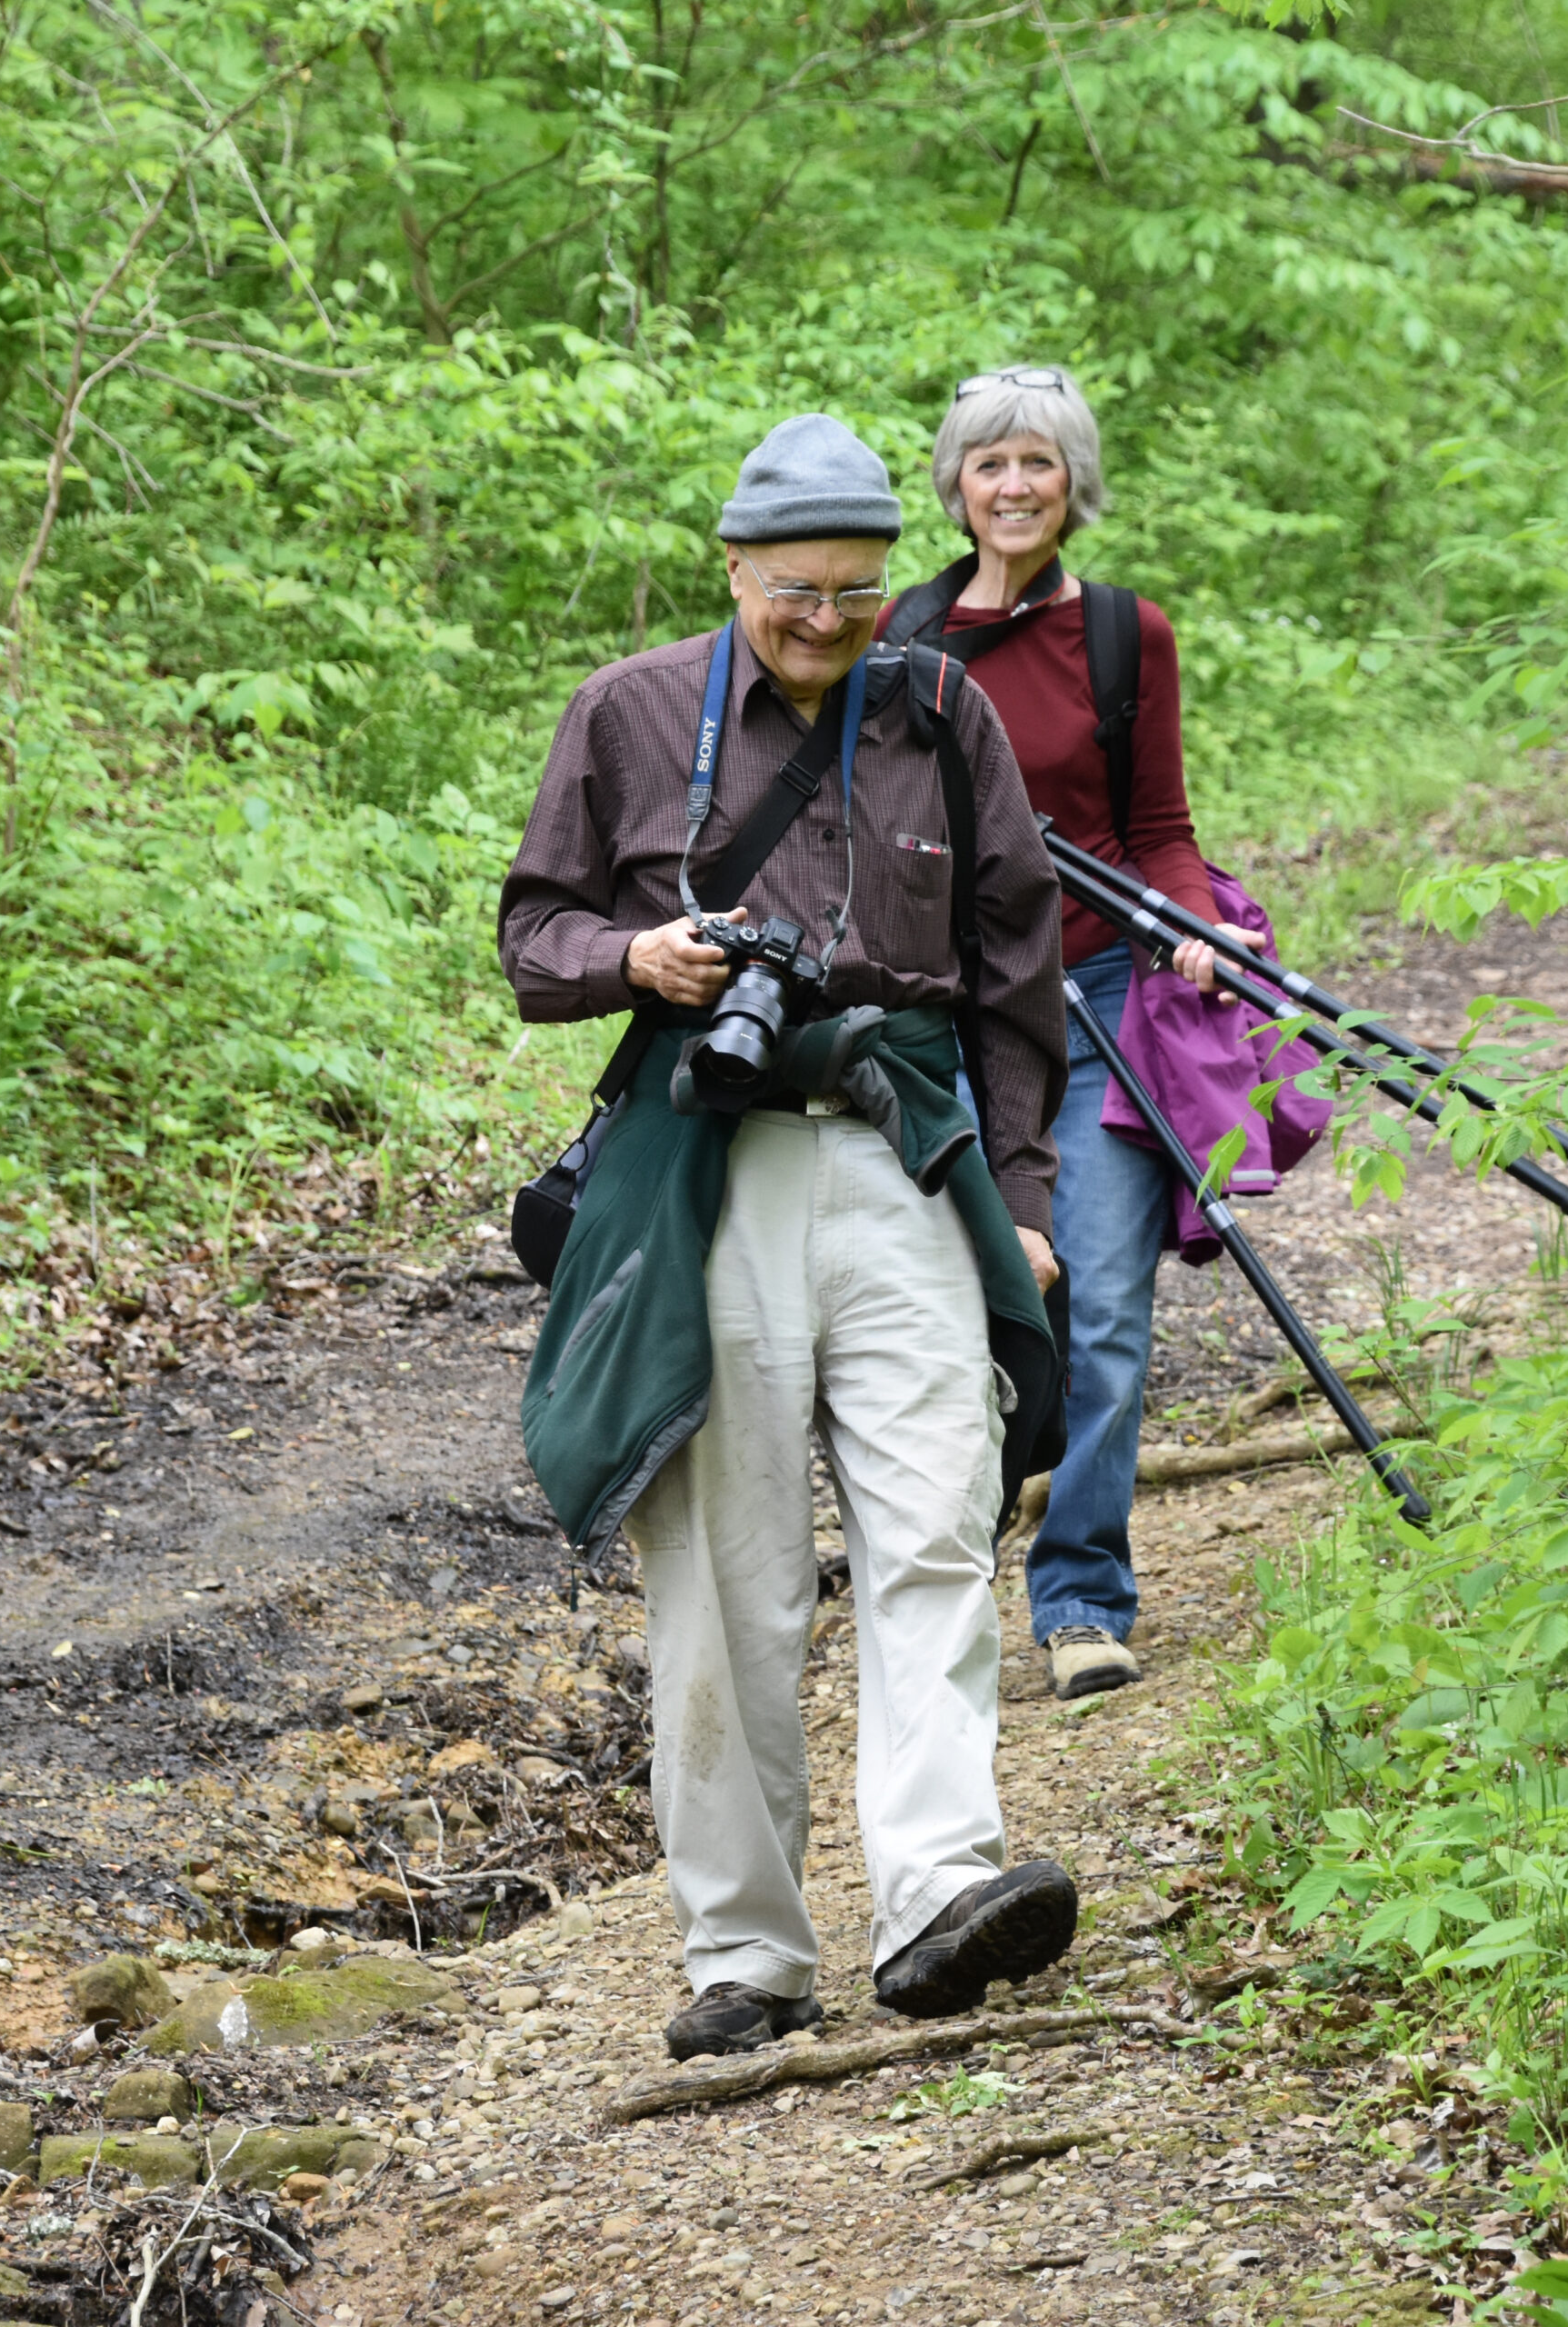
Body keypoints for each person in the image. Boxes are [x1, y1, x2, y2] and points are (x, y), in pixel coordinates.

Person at [499, 413, 1079, 2060]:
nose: (827, 620)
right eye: (796, 591)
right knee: (726, 1577)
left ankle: (938, 1893)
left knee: (936, 1518)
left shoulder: (939, 710)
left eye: (857, 591)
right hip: (711, 1161)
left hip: (905, 1150)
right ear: (735, 568)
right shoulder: (629, 713)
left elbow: (1017, 966)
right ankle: (745, 1955)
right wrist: (638, 961)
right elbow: (532, 935)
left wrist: (1024, 1201)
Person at [882, 365, 1265, 1705]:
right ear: (957, 483)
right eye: (990, 463)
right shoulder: (896, 638)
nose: (1014, 486)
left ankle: (1083, 1595)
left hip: (1099, 1003)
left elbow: (1157, 826)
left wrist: (1194, 924)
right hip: (944, 1021)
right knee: (954, 1315)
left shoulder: (1121, 634)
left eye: (1037, 462)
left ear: (1071, 481)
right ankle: (939, 1590)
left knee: (1101, 1306)